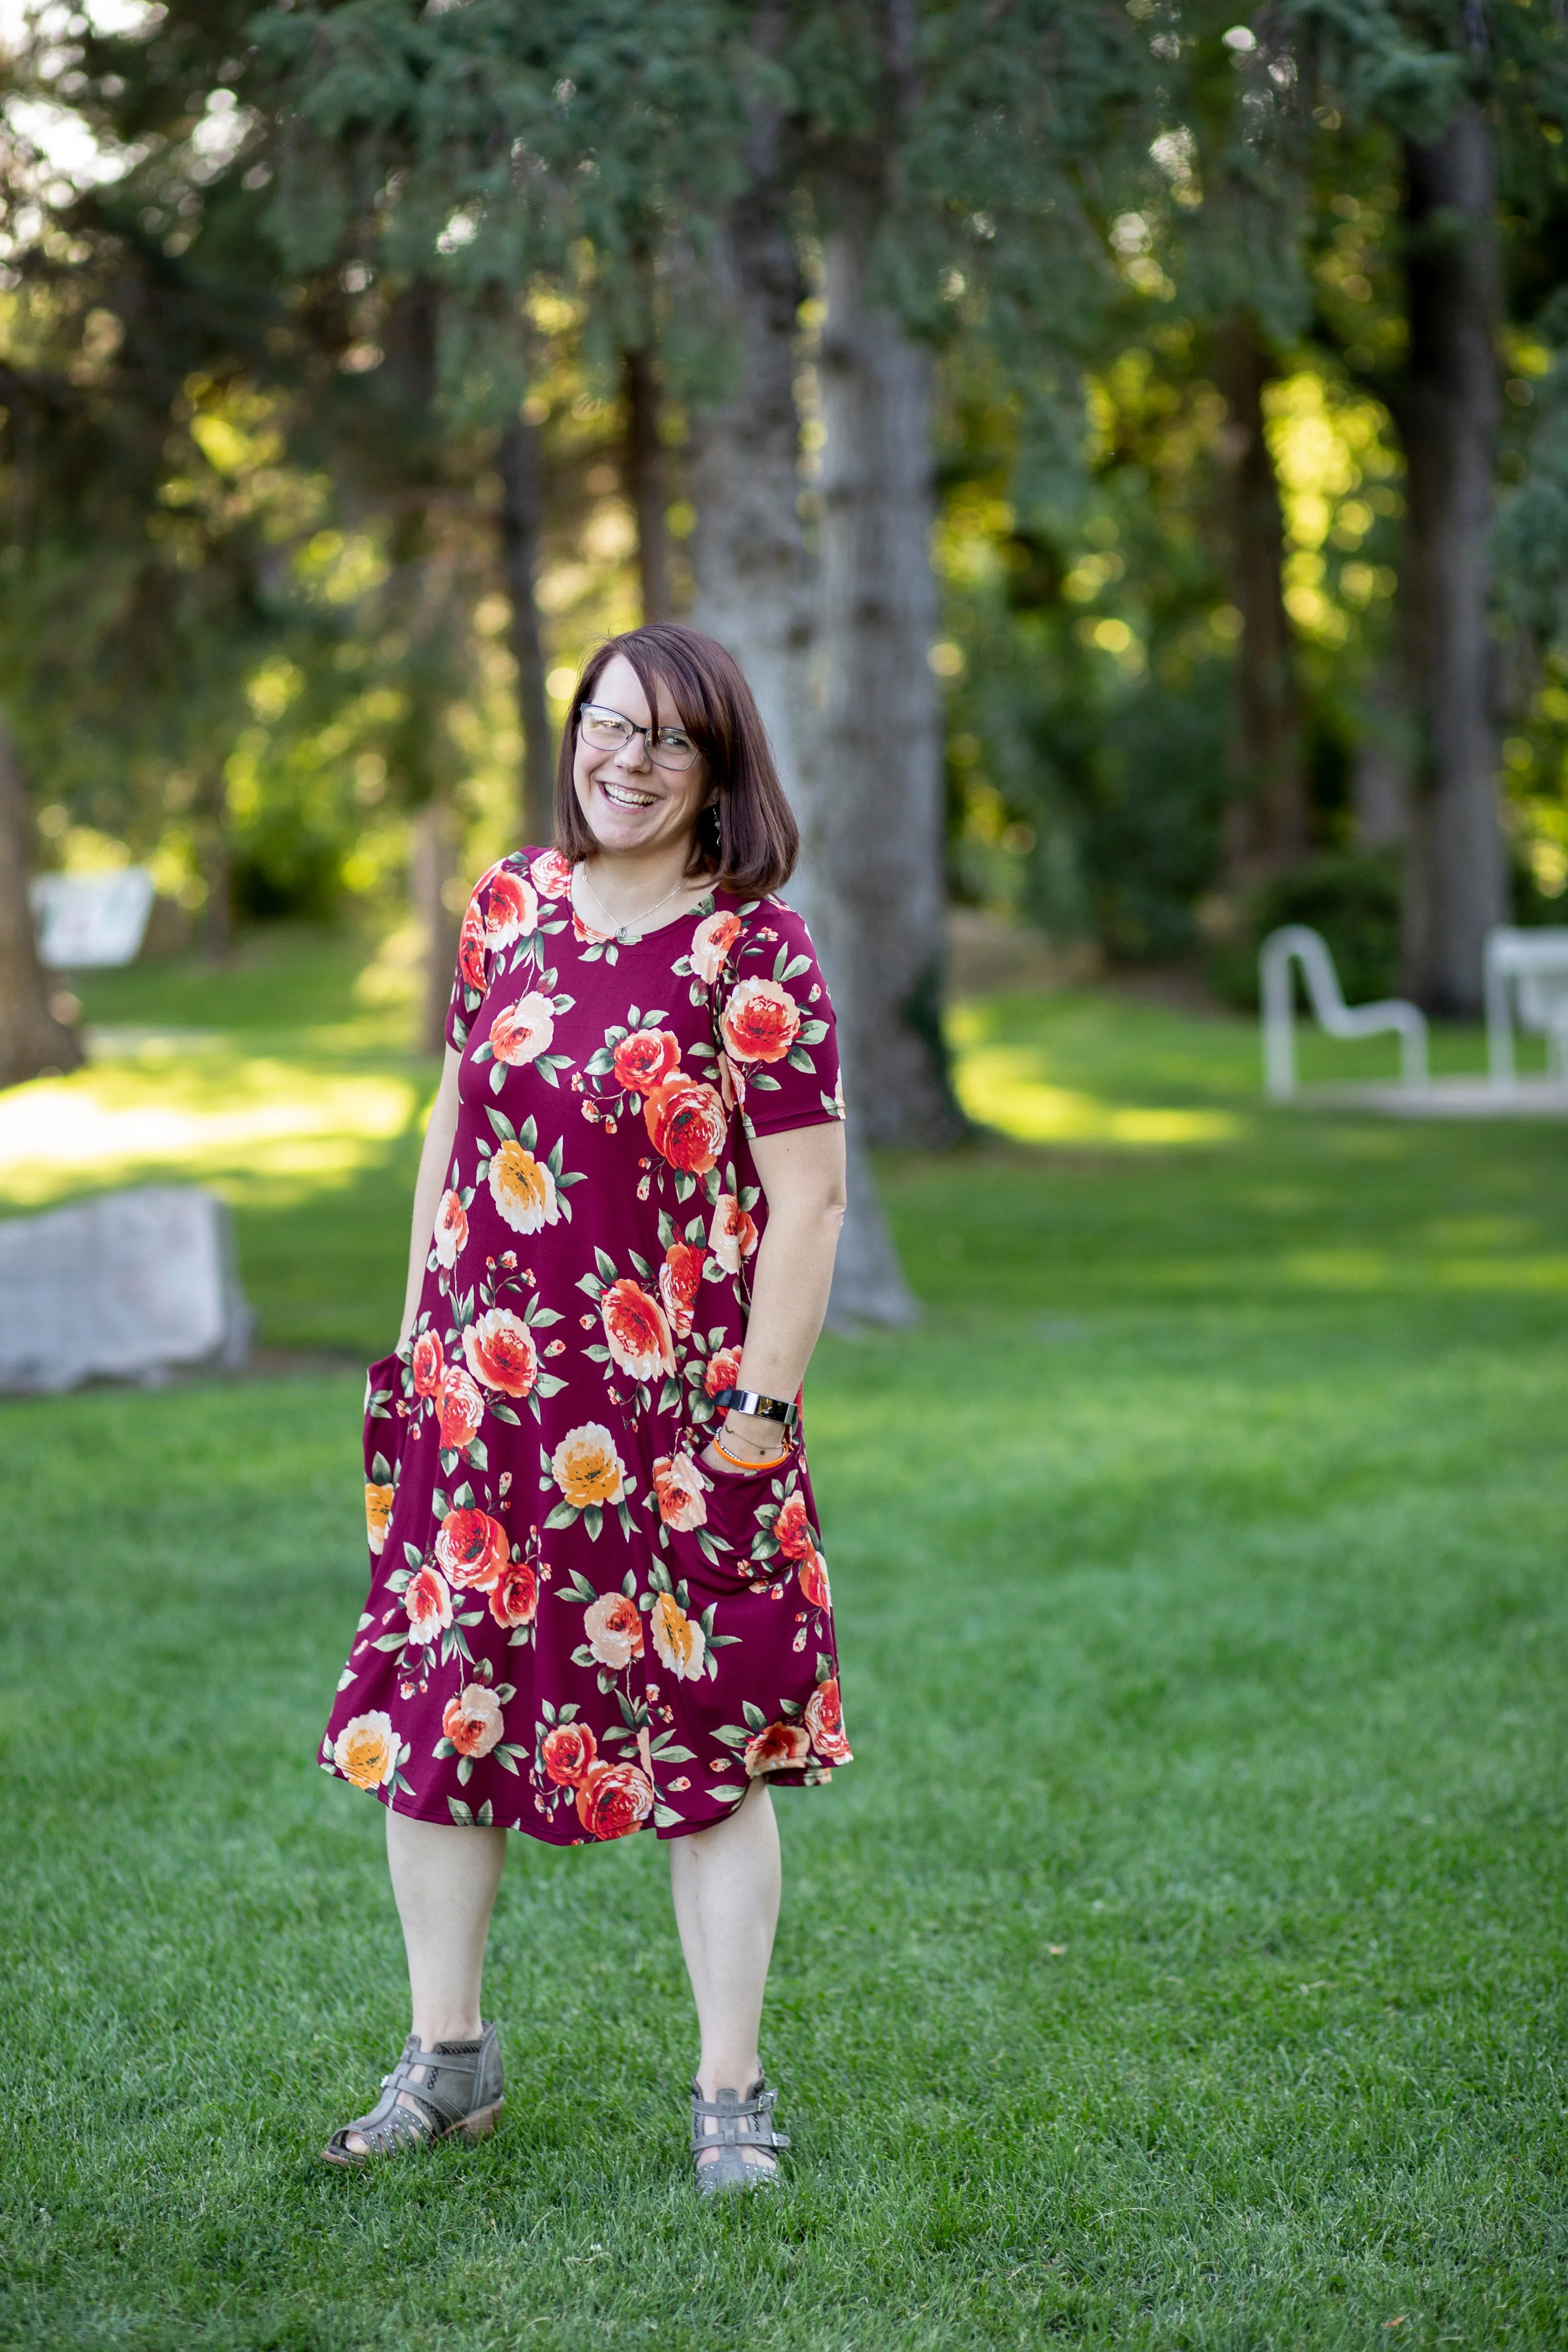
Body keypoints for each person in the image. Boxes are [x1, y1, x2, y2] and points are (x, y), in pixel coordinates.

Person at [318, 622, 850, 2194]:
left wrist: (759, 1411)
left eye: (668, 742)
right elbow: (453, 1116)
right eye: (606, 727)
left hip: (682, 1427)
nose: (626, 762)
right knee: (442, 1725)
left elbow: (808, 1206)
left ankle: (731, 2093)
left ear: (717, 773)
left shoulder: (755, 953)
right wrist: (420, 1331)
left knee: (706, 1749)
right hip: (480, 1408)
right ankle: (449, 2061)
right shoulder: (506, 902)